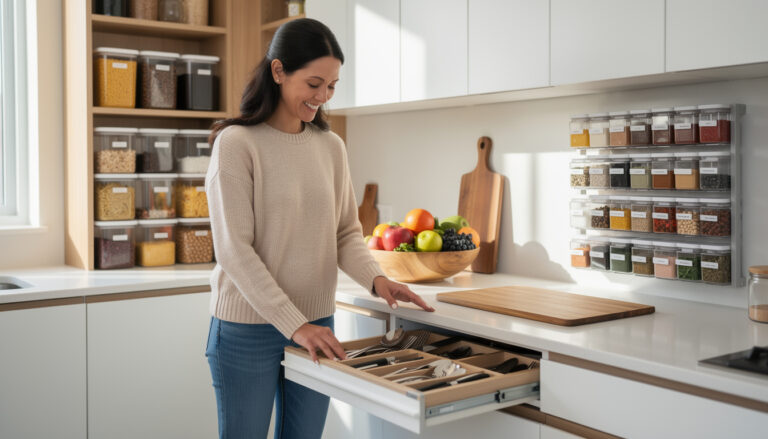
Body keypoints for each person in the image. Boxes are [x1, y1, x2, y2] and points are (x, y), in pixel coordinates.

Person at [204, 18, 434, 439]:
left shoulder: (331, 147)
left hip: (316, 322)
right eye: (313, 83)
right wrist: (296, 325)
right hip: (247, 329)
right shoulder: (237, 144)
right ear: (278, 72)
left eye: (331, 85)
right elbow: (235, 250)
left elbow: (346, 232)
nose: (323, 97)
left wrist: (377, 279)